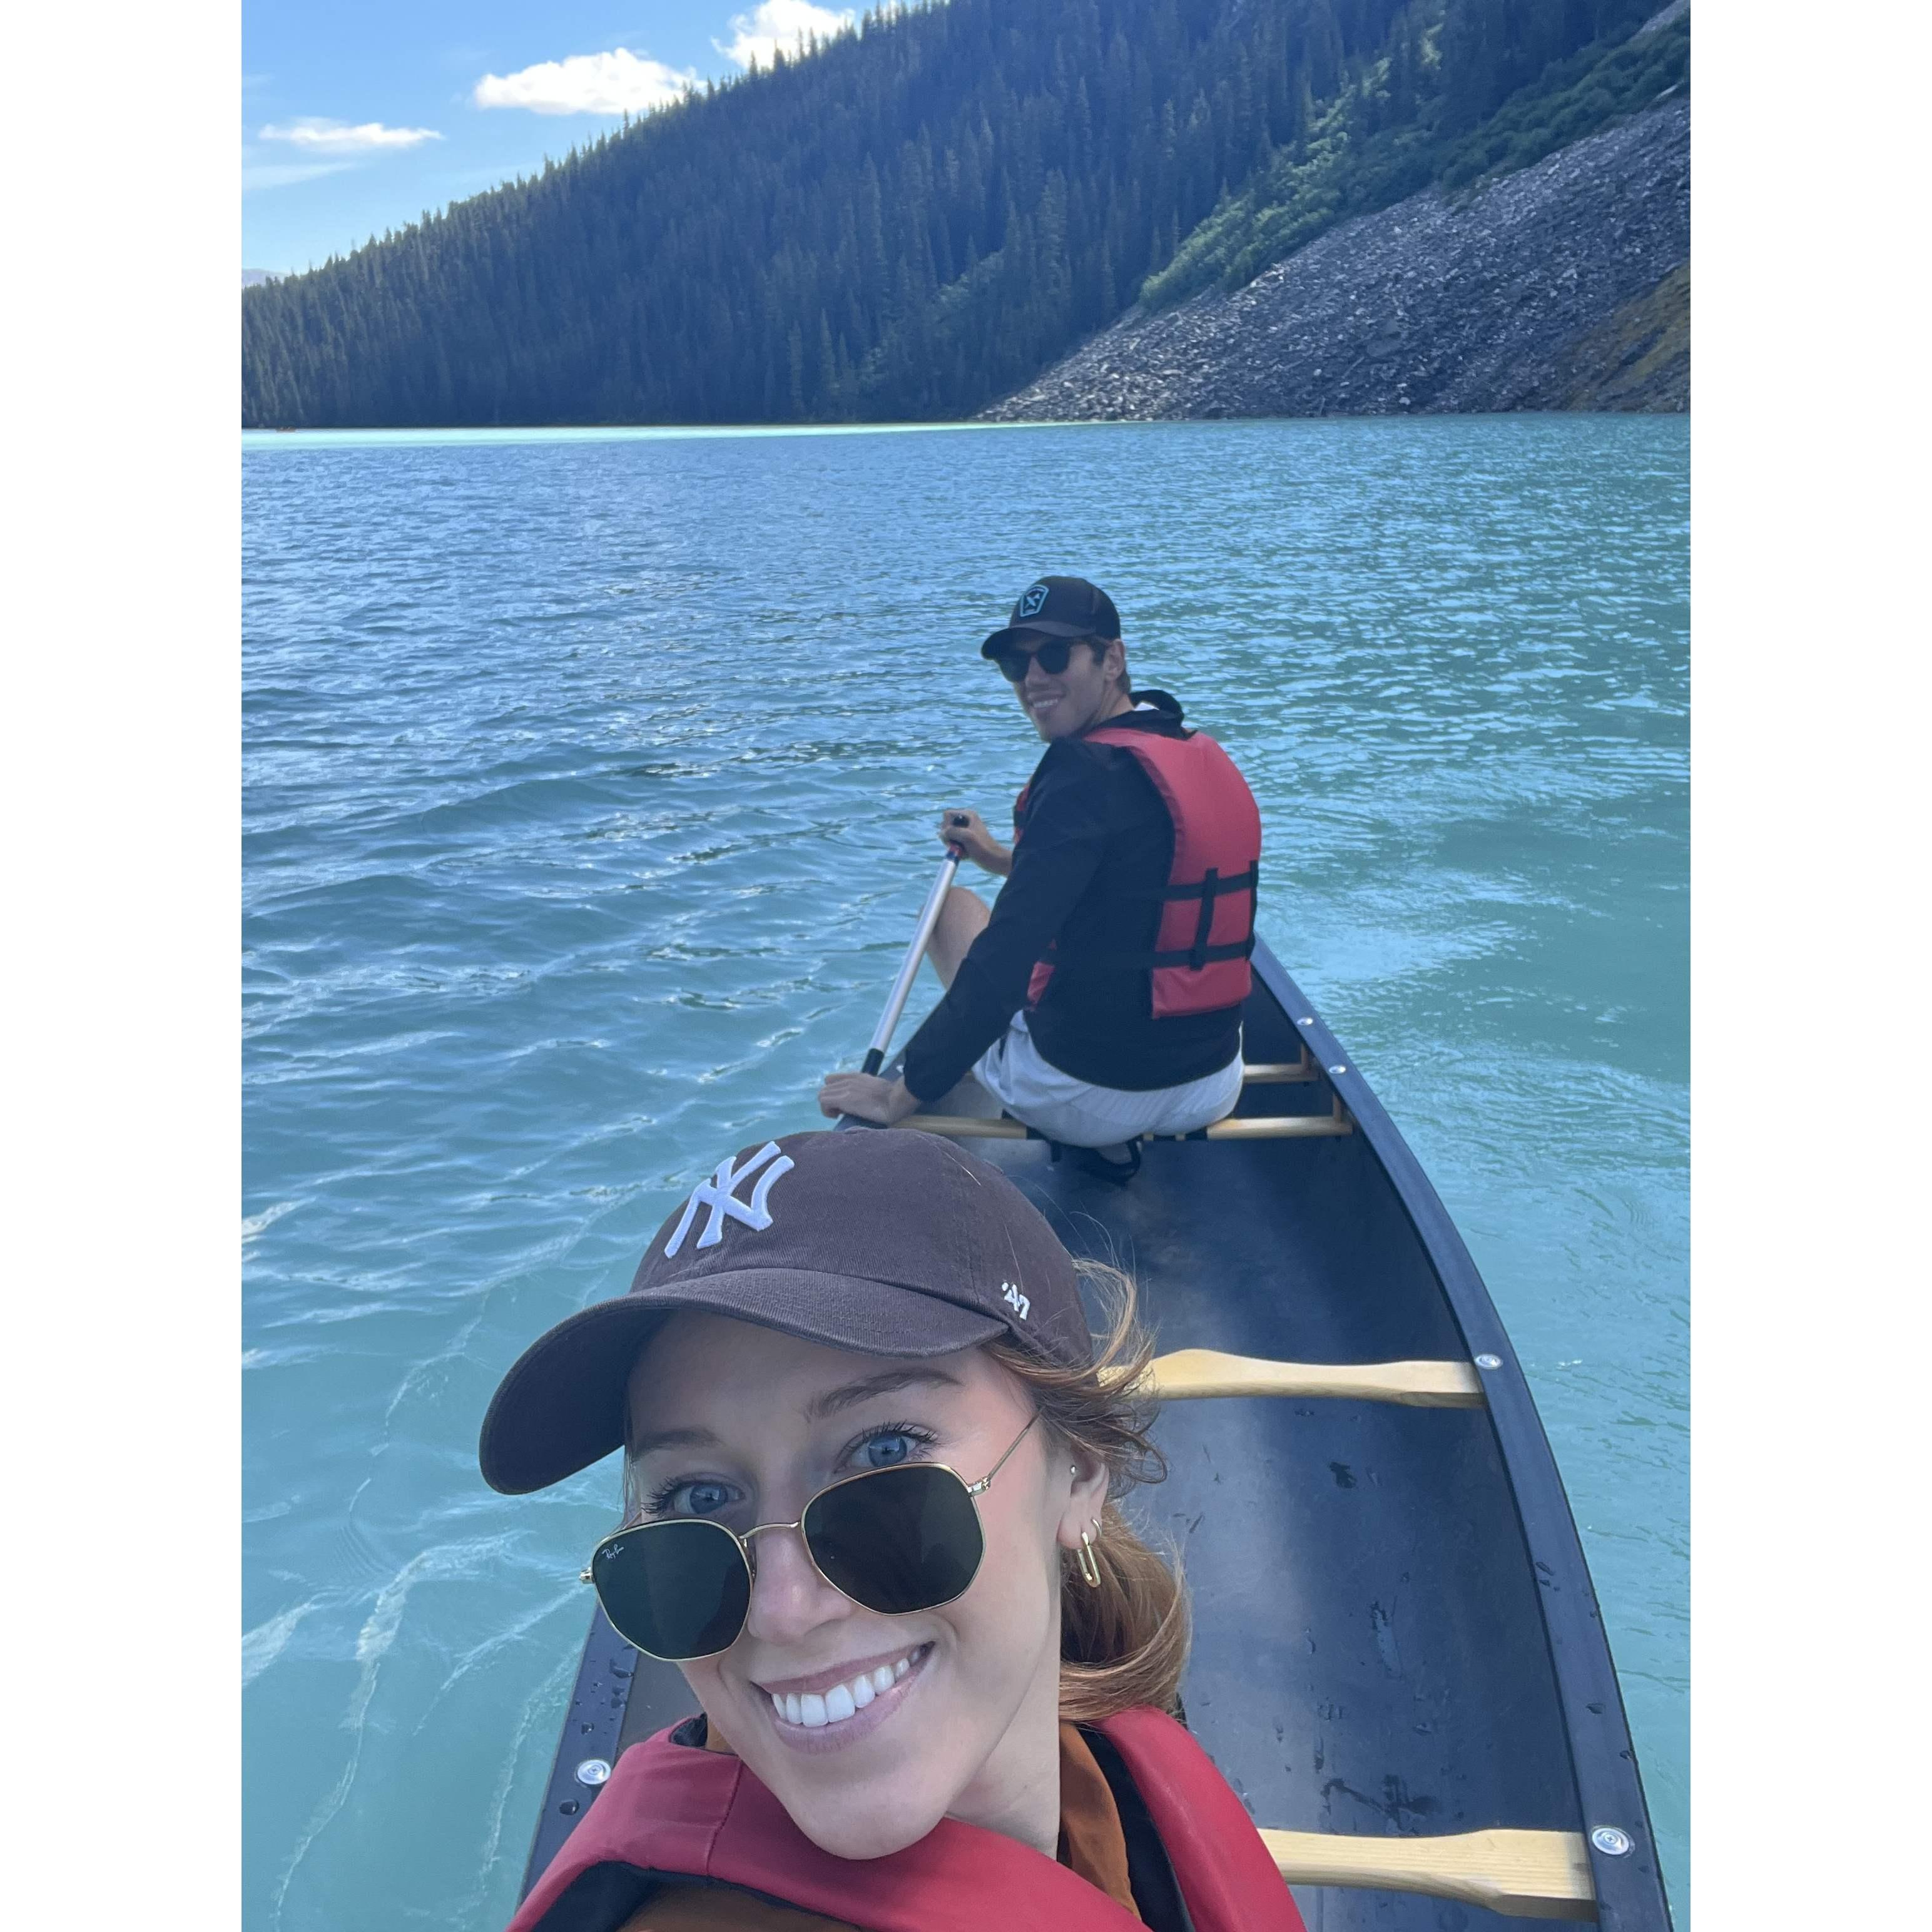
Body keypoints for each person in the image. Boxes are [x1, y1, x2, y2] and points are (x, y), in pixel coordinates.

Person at [481, 1127, 1305, 1932]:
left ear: (1081, 1471)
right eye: (699, 1500)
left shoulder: (1114, 1787)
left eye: (882, 1456)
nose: (783, 1610)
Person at [817, 576, 1261, 1163]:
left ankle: (1088, 1138)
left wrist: (902, 1093)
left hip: (1090, 1096)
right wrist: (1001, 858)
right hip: (1213, 1083)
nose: (1032, 680)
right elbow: (1134, 881)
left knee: (952, 911)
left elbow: (1003, 961)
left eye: (1055, 655)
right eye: (1014, 664)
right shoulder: (1190, 748)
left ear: (1113, 659)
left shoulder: (1079, 774)